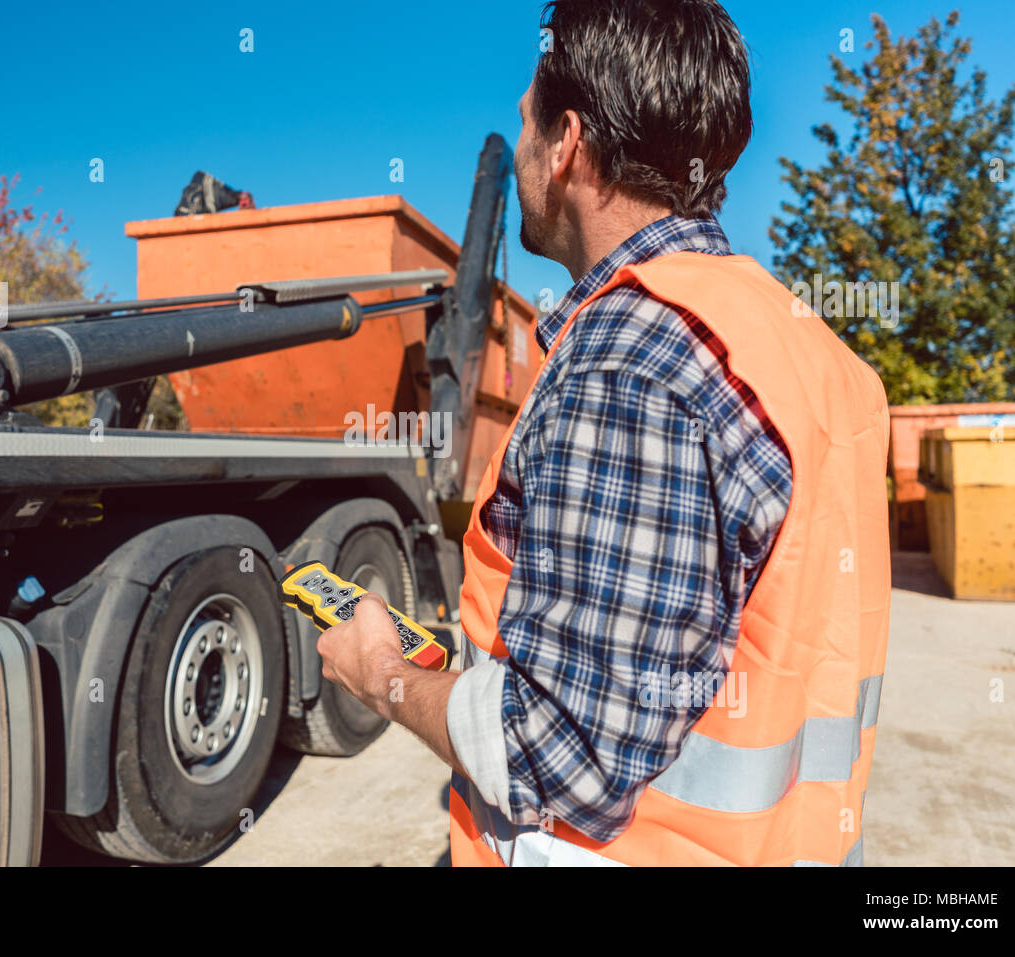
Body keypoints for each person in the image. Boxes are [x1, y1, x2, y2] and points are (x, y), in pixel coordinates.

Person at [317, 0, 890, 867]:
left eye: (526, 119)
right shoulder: (819, 352)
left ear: (568, 142)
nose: (517, 150)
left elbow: (557, 755)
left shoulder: (631, 357)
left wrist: (383, 676)